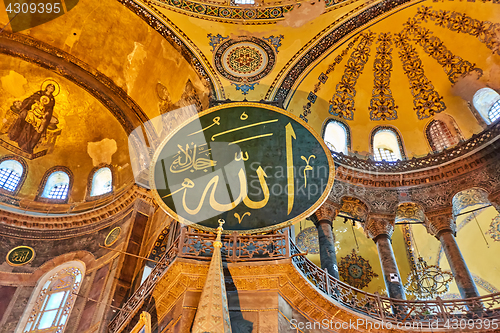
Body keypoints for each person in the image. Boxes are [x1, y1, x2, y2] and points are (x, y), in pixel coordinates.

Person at [8, 84, 56, 154]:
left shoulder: (52, 99)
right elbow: (31, 99)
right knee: (24, 115)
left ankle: (27, 145)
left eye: (52, 88)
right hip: (32, 111)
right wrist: (35, 101)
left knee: (38, 126)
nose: (50, 89)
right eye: (49, 87)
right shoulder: (39, 93)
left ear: (53, 90)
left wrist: (45, 112)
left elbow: (50, 110)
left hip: (40, 115)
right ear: (47, 87)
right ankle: (15, 135)